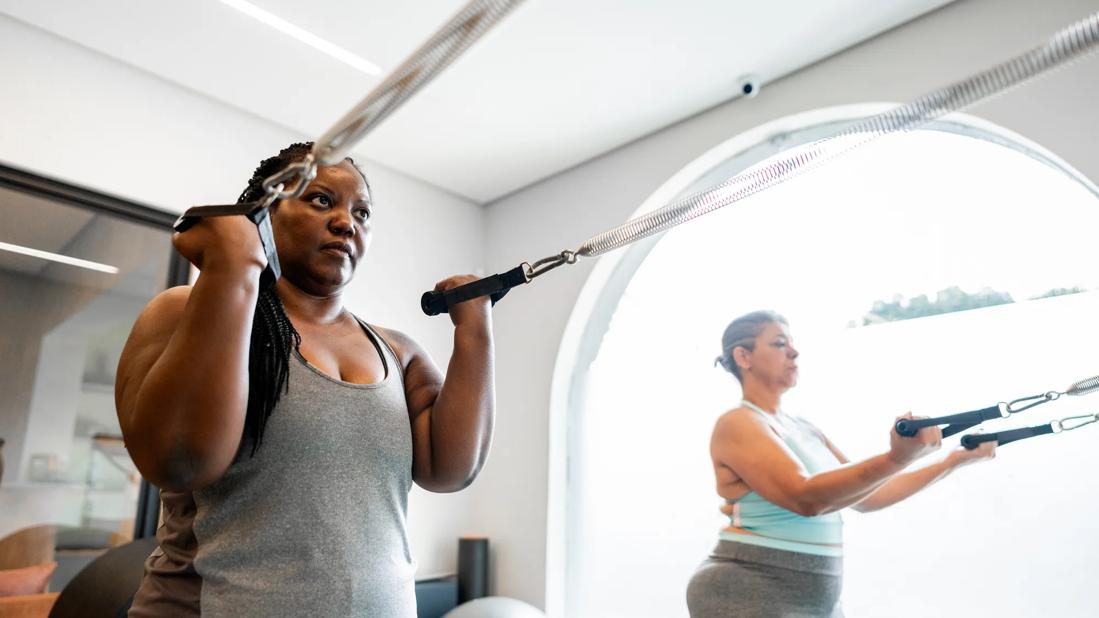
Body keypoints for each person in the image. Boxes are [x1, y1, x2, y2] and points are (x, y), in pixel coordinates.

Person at [116, 143, 495, 616]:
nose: (345, 222)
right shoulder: (184, 311)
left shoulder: (397, 352)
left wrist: (474, 329)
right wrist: (235, 267)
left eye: (362, 212)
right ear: (265, 210)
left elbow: (451, 469)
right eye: (321, 200)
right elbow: (180, 460)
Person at [686, 310, 995, 617]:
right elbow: (806, 499)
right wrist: (896, 457)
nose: (794, 351)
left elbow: (870, 495)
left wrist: (954, 460)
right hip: (745, 588)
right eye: (780, 344)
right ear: (743, 356)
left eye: (792, 342)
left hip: (818, 598)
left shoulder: (803, 427)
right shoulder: (738, 423)